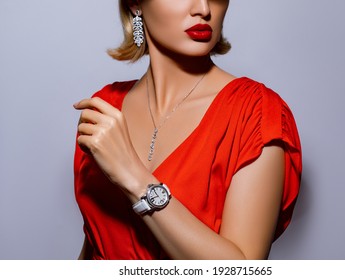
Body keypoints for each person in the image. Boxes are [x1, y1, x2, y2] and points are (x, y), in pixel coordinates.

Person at [73, 0, 302, 260]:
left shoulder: (255, 114)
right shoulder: (105, 109)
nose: (204, 9)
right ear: (136, 4)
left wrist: (133, 177)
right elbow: (95, 244)